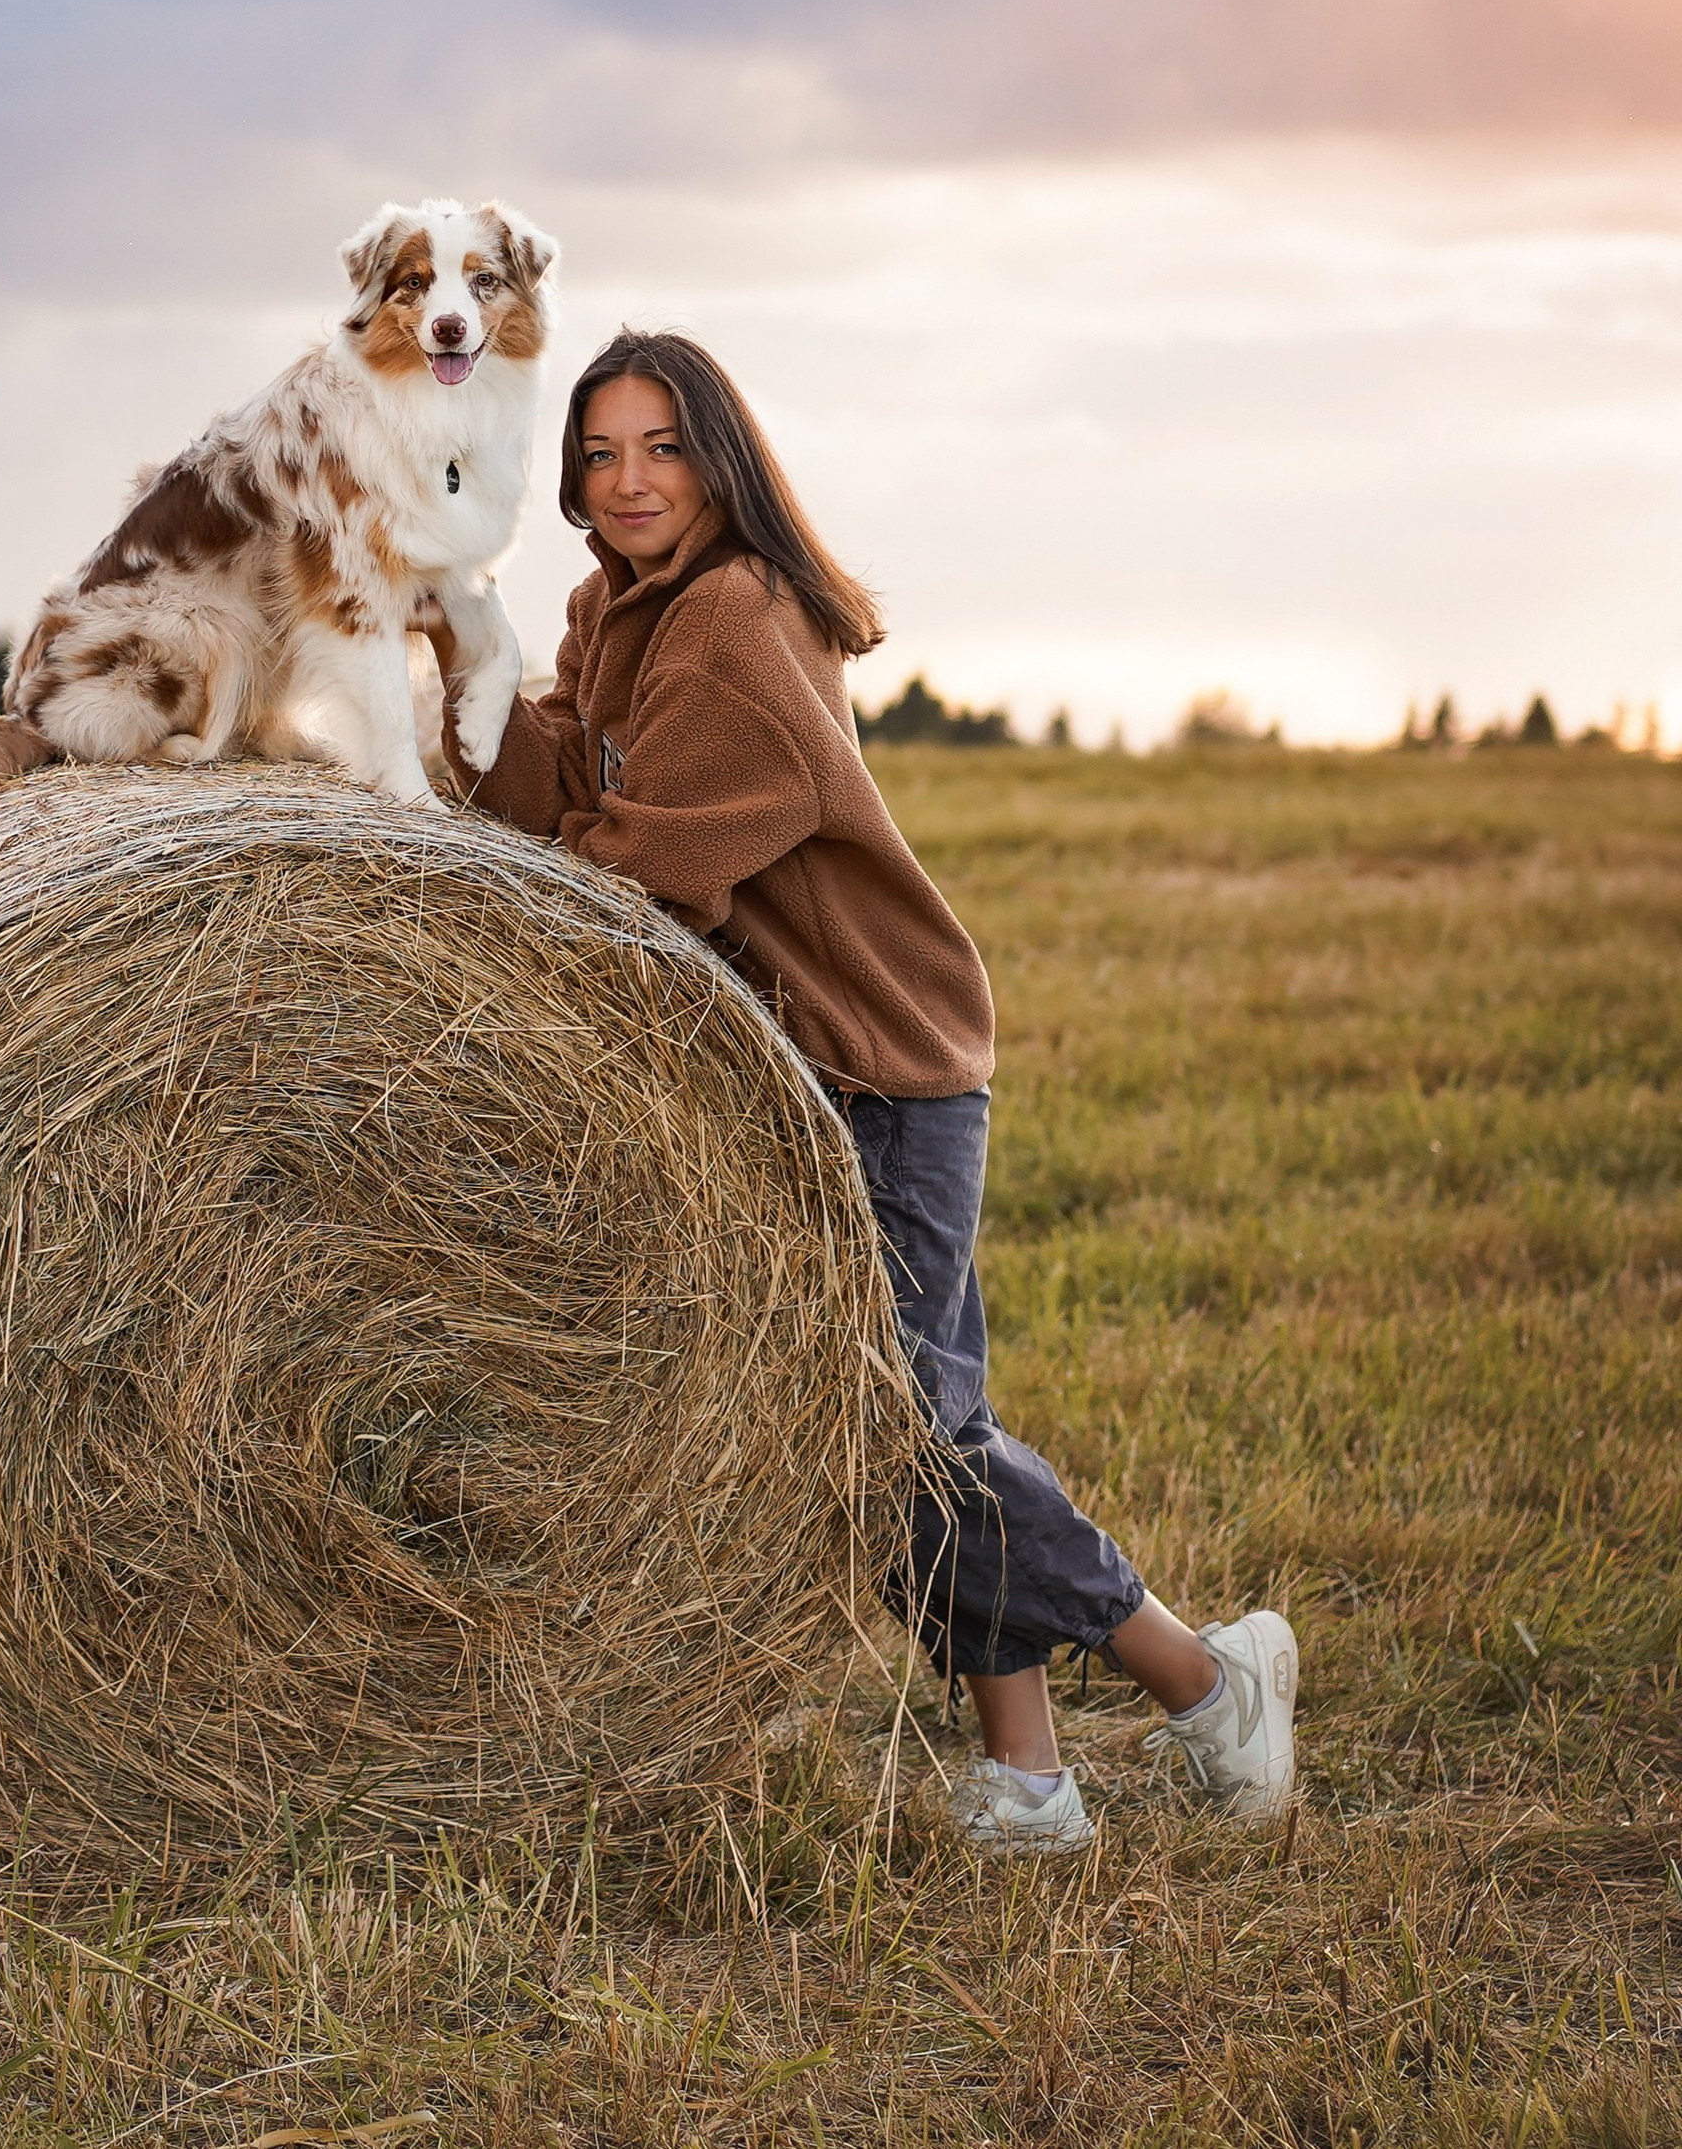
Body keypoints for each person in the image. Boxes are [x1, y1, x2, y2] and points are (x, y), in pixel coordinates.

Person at [465, 326, 1296, 1853]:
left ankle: (1197, 1674)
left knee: (889, 1432)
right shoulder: (611, 610)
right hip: (783, 1076)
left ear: (721, 460)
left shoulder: (735, 614)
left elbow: (659, 859)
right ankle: (1030, 1778)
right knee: (927, 1424)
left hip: (880, 1064)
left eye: (663, 447)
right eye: (601, 453)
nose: (631, 479)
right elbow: (562, 788)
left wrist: (548, 875)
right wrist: (447, 664)